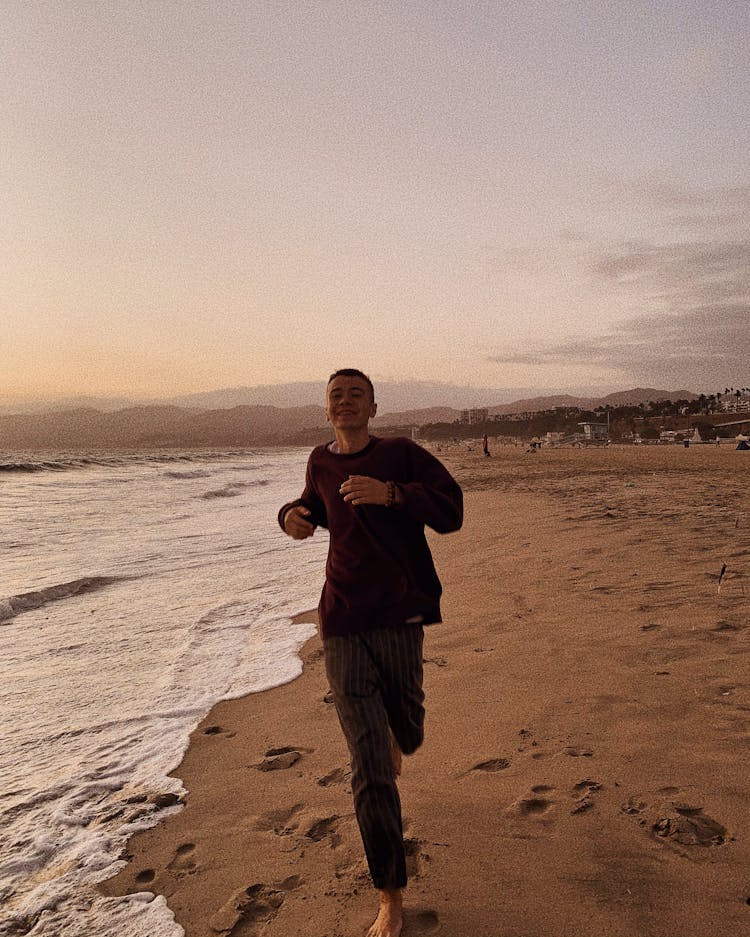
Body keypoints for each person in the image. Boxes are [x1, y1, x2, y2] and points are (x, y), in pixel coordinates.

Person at [278, 368, 463, 937]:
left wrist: (392, 495)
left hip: (400, 611)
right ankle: (390, 895)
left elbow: (451, 511)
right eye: (337, 394)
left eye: (356, 393)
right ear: (327, 408)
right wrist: (292, 516)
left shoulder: (402, 453)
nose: (346, 400)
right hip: (341, 616)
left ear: (374, 407)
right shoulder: (320, 459)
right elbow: (309, 505)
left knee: (408, 724)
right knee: (369, 768)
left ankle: (396, 735)